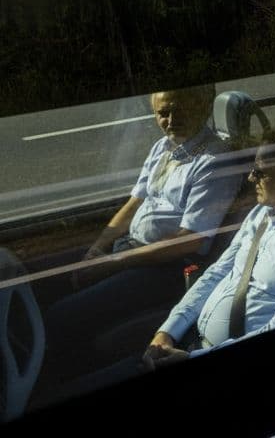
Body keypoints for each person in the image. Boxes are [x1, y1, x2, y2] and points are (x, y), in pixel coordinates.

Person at [41, 86, 242, 373]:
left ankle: (74, 380)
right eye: (163, 113)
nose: (171, 121)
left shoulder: (213, 161)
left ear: (202, 107)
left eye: (179, 110)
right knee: (49, 285)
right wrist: (97, 249)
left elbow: (190, 241)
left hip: (167, 268)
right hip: (132, 249)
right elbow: (134, 203)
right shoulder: (163, 147)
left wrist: (111, 263)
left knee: (61, 316)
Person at [142, 127, 275, 365]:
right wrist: (168, 332)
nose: (251, 178)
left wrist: (193, 358)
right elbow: (218, 272)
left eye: (260, 172)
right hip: (191, 340)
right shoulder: (262, 213)